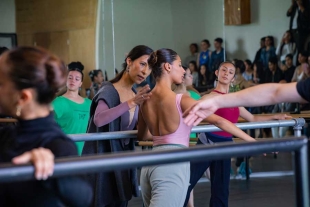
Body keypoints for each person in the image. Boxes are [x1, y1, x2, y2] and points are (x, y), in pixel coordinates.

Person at [138, 49, 257, 207]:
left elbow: (143, 136)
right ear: (167, 67)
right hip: (172, 164)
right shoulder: (181, 100)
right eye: (179, 65)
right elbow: (219, 121)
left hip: (150, 164)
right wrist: (251, 141)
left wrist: (166, 137)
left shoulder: (145, 100)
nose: (183, 70)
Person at [183, 61, 289, 206]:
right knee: (186, 184)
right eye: (224, 70)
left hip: (225, 146)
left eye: (230, 72)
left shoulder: (234, 100)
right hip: (207, 143)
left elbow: (253, 118)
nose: (226, 73)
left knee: (221, 190)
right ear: (217, 73)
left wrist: (275, 116)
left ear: (233, 78)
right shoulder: (210, 97)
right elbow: (196, 110)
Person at [0, 46, 92, 206]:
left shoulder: (58, 147)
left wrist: (52, 170)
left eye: (1, 83)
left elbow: (83, 197)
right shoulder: (6, 136)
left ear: (22, 97)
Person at [83, 45, 153, 207]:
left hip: (121, 166)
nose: (145, 71)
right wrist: (131, 103)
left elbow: (135, 131)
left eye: (149, 68)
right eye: (142, 64)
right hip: (103, 165)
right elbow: (99, 119)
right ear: (129, 61)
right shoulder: (109, 90)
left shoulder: (136, 94)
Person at [52, 62, 92, 155]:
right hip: (64, 151)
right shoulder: (58, 102)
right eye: (70, 78)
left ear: (81, 83)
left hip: (85, 152)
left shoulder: (89, 104)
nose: (72, 81)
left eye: (77, 79)